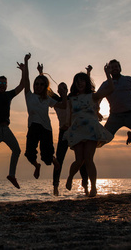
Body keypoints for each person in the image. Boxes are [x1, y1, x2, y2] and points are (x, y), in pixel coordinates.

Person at [36, 63, 89, 196]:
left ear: (68, 89)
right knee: (59, 159)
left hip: (76, 131)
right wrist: (41, 73)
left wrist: (88, 74)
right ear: (58, 91)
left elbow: (86, 92)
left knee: (82, 159)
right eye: (60, 88)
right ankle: (55, 186)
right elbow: (46, 89)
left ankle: (86, 185)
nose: (63, 89)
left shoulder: (72, 98)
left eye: (65, 87)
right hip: (63, 132)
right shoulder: (56, 100)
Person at [64, 64, 114, 197]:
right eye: (77, 81)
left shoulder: (93, 96)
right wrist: (68, 129)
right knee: (79, 160)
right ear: (74, 84)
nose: (80, 83)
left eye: (83, 81)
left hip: (91, 130)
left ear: (87, 83)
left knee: (89, 159)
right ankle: (70, 177)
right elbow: (69, 116)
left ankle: (93, 187)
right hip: (77, 130)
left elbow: (110, 88)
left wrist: (107, 73)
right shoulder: (71, 99)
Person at [22, 53, 66, 180]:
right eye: (36, 84)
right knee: (29, 154)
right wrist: (26, 63)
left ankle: (52, 159)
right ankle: (37, 166)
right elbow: (26, 80)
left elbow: (63, 106)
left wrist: (63, 94)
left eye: (41, 84)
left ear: (45, 86)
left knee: (47, 158)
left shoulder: (47, 99)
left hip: (46, 129)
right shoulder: (29, 95)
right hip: (33, 127)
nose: (38, 86)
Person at [99, 59, 131, 145]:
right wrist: (97, 111)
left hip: (130, 115)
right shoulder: (106, 84)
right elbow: (97, 97)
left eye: (116, 67)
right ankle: (86, 157)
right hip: (115, 117)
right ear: (109, 70)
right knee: (102, 140)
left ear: (120, 68)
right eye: (112, 67)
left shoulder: (129, 80)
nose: (114, 69)